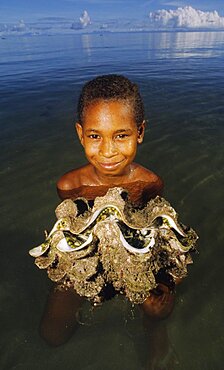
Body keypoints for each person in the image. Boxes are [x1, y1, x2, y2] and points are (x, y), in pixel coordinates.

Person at [39, 75, 175, 351]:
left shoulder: (149, 183)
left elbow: (156, 230)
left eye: (121, 135)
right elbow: (69, 233)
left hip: (133, 257)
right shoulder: (70, 185)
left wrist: (164, 282)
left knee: (158, 307)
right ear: (80, 134)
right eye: (94, 136)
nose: (108, 151)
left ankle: (154, 333)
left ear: (140, 132)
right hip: (89, 259)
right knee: (51, 335)